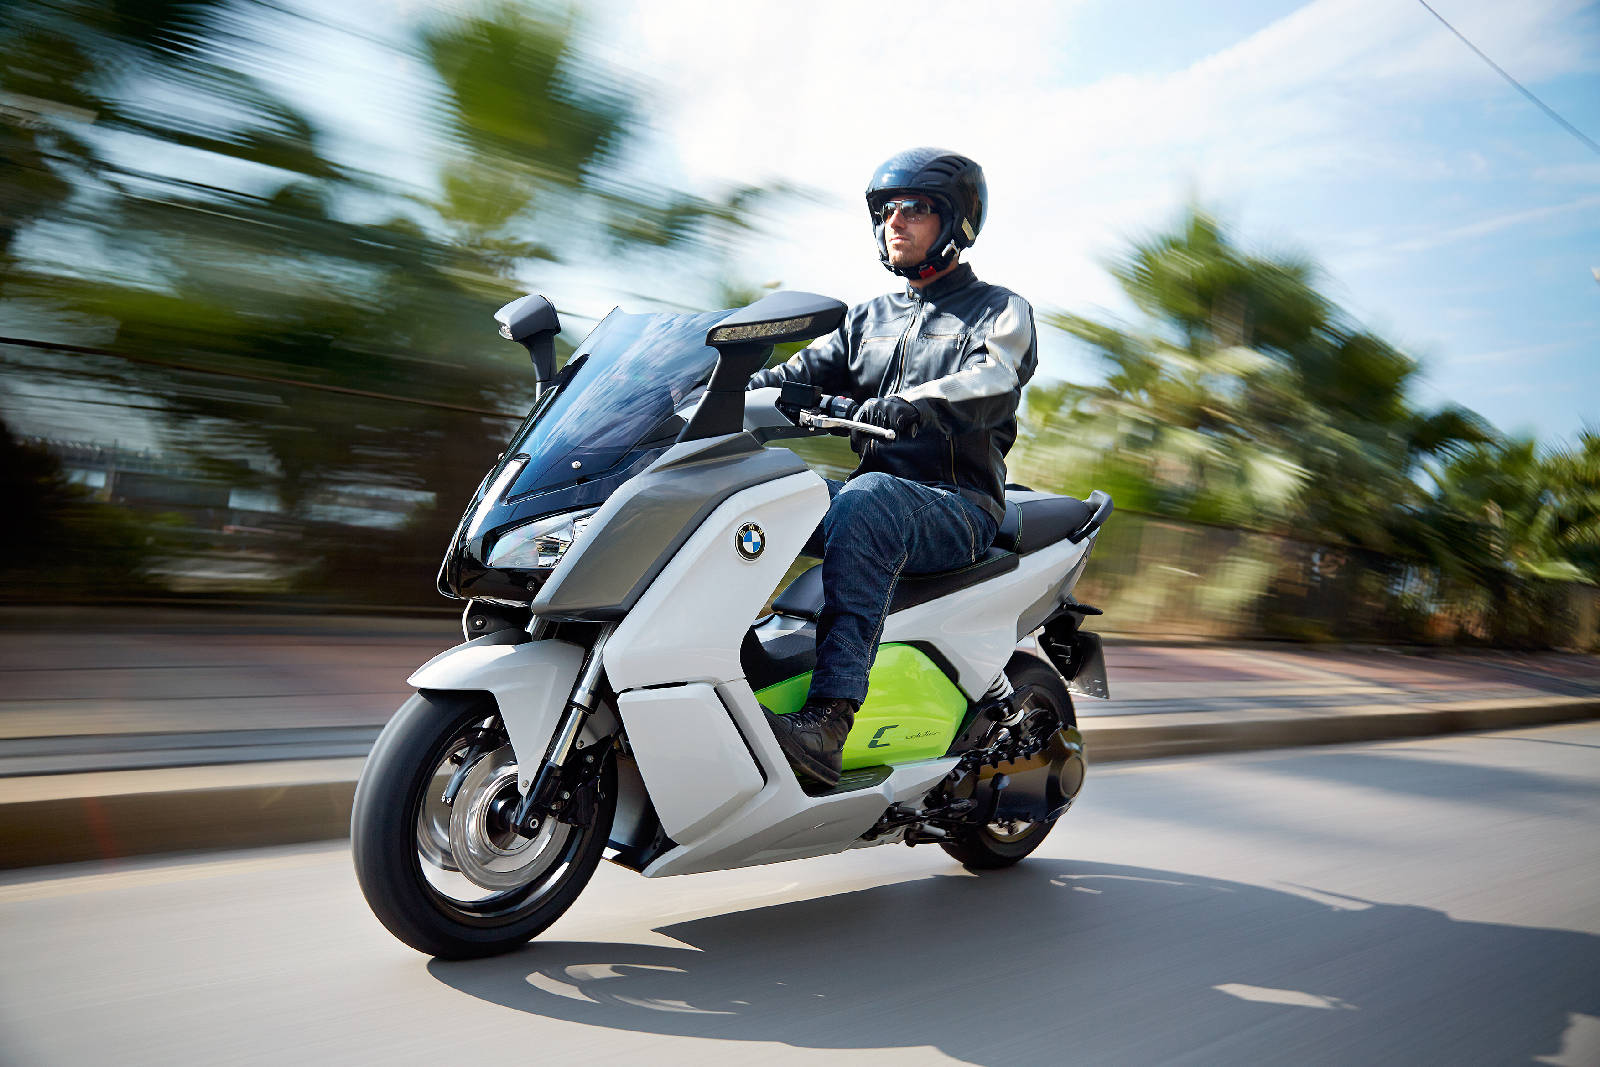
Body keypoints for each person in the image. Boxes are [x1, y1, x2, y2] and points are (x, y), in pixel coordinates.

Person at [746, 147, 1037, 788]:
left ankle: (829, 721)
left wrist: (914, 405)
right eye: (886, 211)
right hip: (874, 497)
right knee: (751, 494)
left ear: (956, 222)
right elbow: (787, 378)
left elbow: (995, 378)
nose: (894, 222)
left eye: (916, 208)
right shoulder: (866, 320)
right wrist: (698, 391)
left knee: (868, 497)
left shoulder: (999, 309)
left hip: (958, 505)